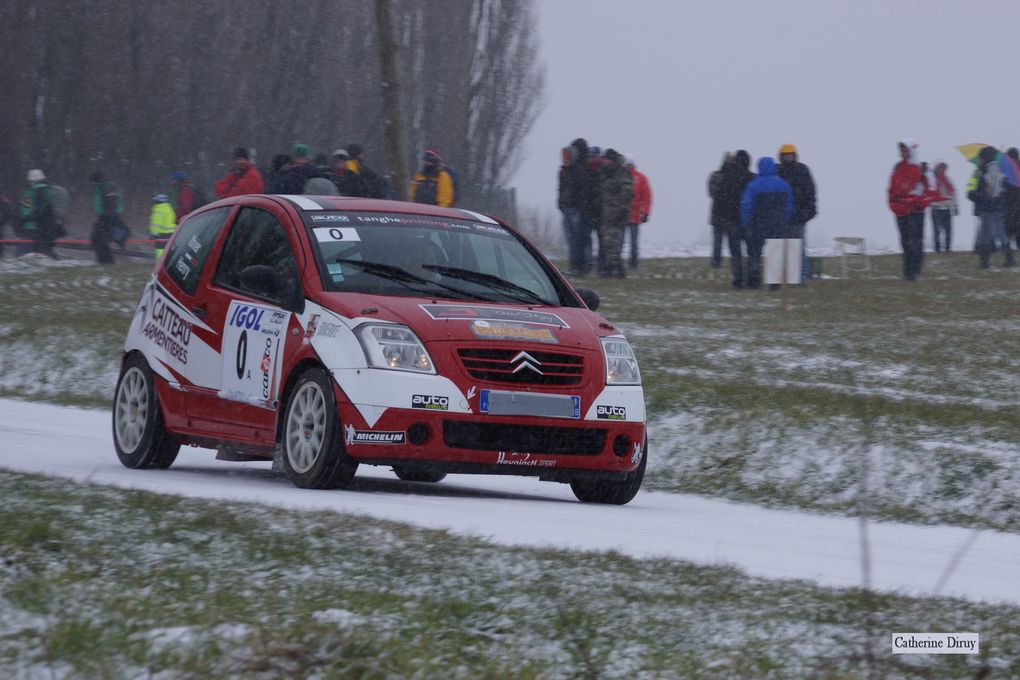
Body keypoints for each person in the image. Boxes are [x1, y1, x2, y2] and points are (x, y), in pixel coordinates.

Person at [740, 157, 793, 289]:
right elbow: (789, 205)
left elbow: (746, 205)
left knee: (754, 253)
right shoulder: (784, 184)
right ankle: (774, 282)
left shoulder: (753, 185)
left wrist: (746, 222)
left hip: (758, 223)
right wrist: (785, 220)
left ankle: (754, 281)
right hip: (778, 224)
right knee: (775, 252)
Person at [887, 139, 929, 281]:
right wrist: (894, 204)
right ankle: (907, 271)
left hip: (916, 210)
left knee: (915, 241)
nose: (903, 153)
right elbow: (892, 188)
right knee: (905, 242)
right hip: (901, 210)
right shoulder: (897, 167)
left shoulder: (920, 168)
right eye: (902, 150)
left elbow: (924, 189)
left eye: (906, 150)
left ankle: (914, 271)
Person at [775, 143, 817, 282]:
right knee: (780, 249)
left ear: (795, 155)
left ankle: (801, 277)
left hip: (798, 217)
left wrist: (806, 213)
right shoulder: (776, 171)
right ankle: (783, 277)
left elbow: (810, 193)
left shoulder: (802, 170)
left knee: (799, 249)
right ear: (781, 157)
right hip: (780, 218)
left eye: (790, 154)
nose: (788, 157)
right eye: (785, 155)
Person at [967, 145, 1014, 268]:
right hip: (994, 207)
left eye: (981, 157)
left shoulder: (987, 171)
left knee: (991, 233)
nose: (979, 159)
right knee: (993, 233)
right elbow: (1002, 189)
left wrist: (976, 195)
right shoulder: (996, 170)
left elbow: (986, 191)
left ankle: (987, 261)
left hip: (989, 207)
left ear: (985, 157)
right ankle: (1003, 258)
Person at [717, 150, 755, 288]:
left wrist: (723, 218)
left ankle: (738, 280)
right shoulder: (752, 178)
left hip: (731, 220)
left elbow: (720, 199)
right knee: (752, 251)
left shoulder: (727, 177)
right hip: (749, 221)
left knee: (735, 252)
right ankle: (752, 279)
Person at [597, 148, 633, 278]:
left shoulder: (622, 173)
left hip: (618, 216)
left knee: (615, 246)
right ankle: (612, 270)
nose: (604, 162)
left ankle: (616, 271)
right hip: (606, 216)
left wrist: (617, 207)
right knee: (607, 245)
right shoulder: (604, 173)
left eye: (606, 159)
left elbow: (627, 194)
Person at [18, 169, 58, 258]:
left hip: (32, 226)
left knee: (26, 252)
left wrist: (25, 219)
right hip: (45, 226)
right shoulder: (49, 190)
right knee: (44, 250)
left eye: (30, 181)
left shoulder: (32, 192)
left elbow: (26, 209)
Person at [625, 156, 652, 270]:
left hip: (629, 215)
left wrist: (645, 212)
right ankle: (632, 264)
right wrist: (645, 212)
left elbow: (646, 197)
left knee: (630, 242)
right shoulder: (641, 178)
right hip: (630, 216)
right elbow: (647, 198)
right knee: (632, 242)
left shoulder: (640, 178)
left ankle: (632, 263)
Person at [708, 152, 734, 268]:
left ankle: (733, 261)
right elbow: (712, 192)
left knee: (732, 241)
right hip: (718, 213)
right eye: (727, 159)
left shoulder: (735, 175)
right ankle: (716, 262)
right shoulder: (715, 175)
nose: (729, 161)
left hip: (730, 214)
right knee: (717, 241)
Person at [558, 145, 580, 270]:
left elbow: (579, 191)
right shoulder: (562, 172)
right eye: (564, 157)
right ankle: (572, 265)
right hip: (566, 209)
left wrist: (576, 205)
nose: (565, 159)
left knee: (575, 240)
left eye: (567, 157)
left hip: (574, 209)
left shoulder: (577, 171)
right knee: (569, 239)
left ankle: (576, 266)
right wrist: (560, 204)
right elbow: (560, 189)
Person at [930, 160, 957, 253]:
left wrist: (955, 206)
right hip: (936, 208)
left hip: (947, 208)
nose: (942, 170)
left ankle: (948, 249)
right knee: (936, 231)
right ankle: (937, 249)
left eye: (943, 168)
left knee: (948, 231)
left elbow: (954, 194)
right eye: (940, 168)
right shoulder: (932, 181)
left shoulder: (948, 180)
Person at [149, 194, 177, 261]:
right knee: (169, 249)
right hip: (172, 233)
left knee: (160, 250)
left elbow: (156, 224)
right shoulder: (169, 209)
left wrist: (153, 234)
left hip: (162, 234)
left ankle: (160, 263)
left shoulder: (158, 210)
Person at [1004, 148, 1020, 254]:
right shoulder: (1007, 169)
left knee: (1011, 228)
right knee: (1012, 228)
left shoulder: (1009, 169)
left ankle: (1009, 251)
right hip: (1011, 203)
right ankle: (1008, 251)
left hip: (1012, 203)